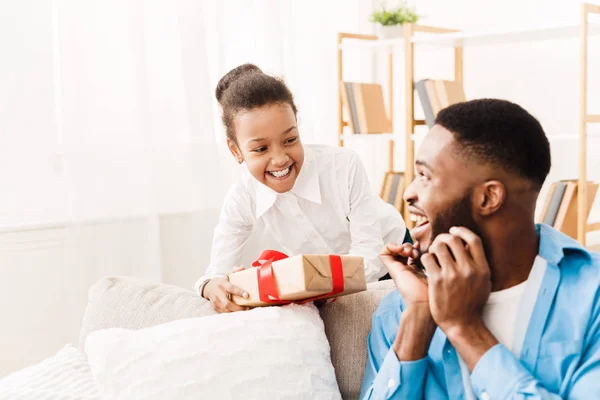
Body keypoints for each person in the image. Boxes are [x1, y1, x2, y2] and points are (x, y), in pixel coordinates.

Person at [361, 99, 600, 399]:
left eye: (425, 176)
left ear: (488, 198)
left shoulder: (592, 298)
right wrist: (419, 315)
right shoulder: (401, 308)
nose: (408, 193)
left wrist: (465, 329)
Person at [195, 64, 408, 313]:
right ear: (235, 150)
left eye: (290, 140)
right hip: (330, 285)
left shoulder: (343, 165)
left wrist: (326, 287)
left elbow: (369, 252)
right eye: (261, 149)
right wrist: (211, 286)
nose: (280, 159)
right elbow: (215, 272)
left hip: (392, 256)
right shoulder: (242, 196)